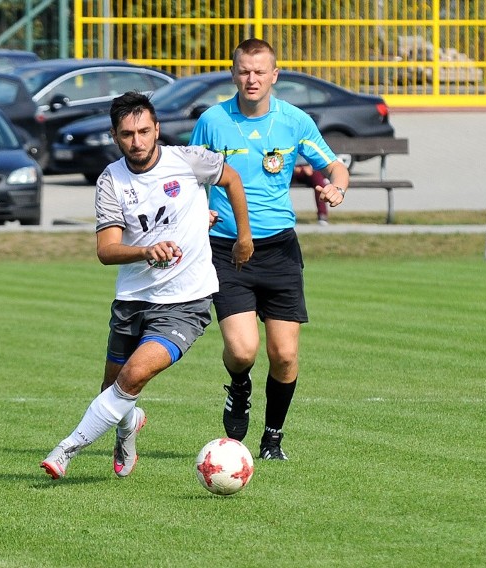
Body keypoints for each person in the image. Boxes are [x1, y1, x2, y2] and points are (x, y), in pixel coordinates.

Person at [40, 92, 253, 479]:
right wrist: (145, 252)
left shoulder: (187, 160)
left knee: (134, 375)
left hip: (186, 302)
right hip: (132, 299)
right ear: (115, 136)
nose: (137, 141)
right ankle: (130, 423)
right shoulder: (111, 180)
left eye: (143, 131)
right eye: (127, 134)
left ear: (157, 129)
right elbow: (106, 251)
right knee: (114, 389)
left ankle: (65, 449)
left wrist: (243, 237)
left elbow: (232, 178)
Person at [189, 38, 350, 460]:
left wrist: (336, 186)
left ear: (274, 76)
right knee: (242, 351)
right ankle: (238, 387)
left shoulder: (294, 121)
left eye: (260, 71)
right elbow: (191, 176)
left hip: (279, 250)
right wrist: (197, 212)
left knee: (284, 355)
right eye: (244, 71)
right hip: (226, 248)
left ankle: (272, 437)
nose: (252, 78)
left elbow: (334, 165)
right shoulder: (212, 121)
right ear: (233, 74)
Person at [293, 156, 330, 225]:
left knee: (318, 180)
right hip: (288, 169)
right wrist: (293, 168)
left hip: (308, 169)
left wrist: (311, 168)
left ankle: (322, 215)